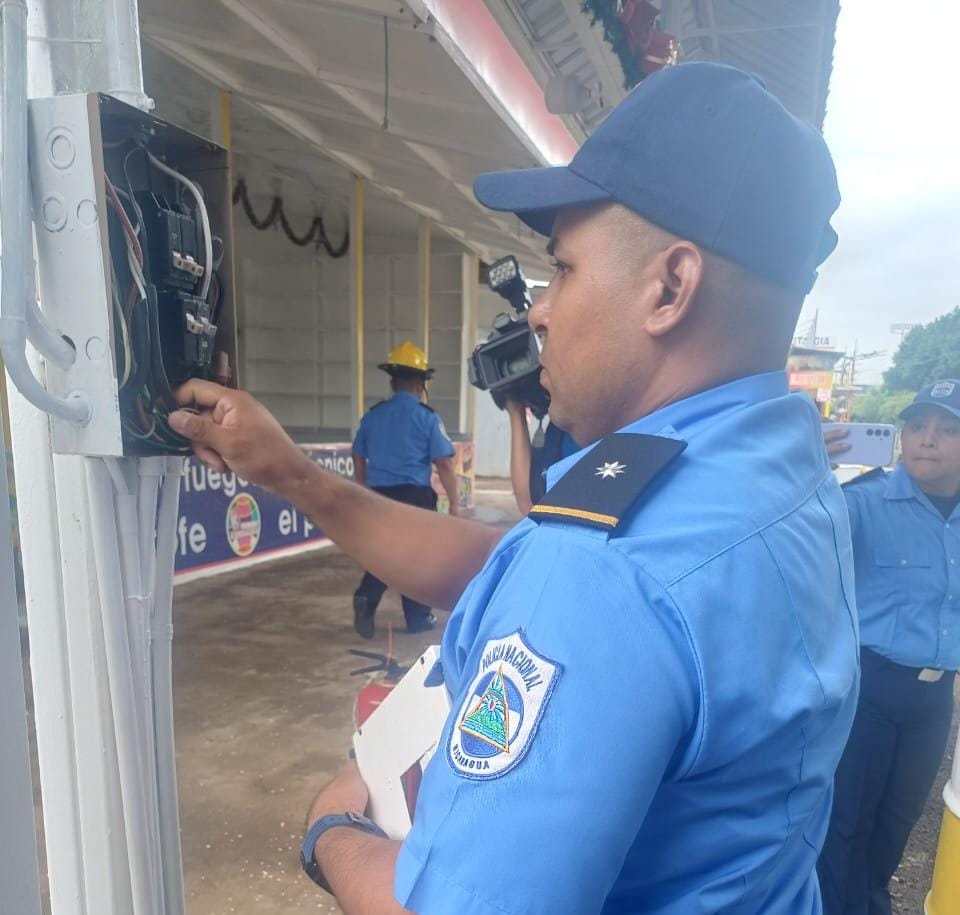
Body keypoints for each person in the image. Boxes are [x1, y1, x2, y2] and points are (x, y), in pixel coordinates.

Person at [168, 62, 859, 914]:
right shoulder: (784, 477)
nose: (537, 312)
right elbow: (510, 561)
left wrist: (331, 832)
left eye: (562, 270)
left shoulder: (605, 570)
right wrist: (287, 472)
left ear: (670, 287)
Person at [818, 379, 960, 915]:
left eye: (948, 429)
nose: (928, 440)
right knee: (846, 825)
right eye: (918, 426)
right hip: (869, 692)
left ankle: (870, 902)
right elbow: (794, 541)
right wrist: (806, 475)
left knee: (896, 825)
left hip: (931, 704)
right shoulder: (861, 502)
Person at [351, 341, 460, 638]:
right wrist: (454, 504)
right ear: (419, 383)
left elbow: (358, 454)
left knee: (385, 552)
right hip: (413, 497)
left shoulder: (373, 416)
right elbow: (445, 464)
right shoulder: (426, 417)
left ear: (392, 382)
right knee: (416, 558)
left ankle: (367, 596)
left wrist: (363, 488)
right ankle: (417, 618)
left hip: (378, 496)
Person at [504, 401, 578, 513]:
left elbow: (529, 506)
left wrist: (515, 411)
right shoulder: (558, 431)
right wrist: (515, 409)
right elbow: (530, 504)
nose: (544, 382)